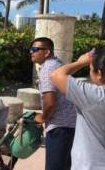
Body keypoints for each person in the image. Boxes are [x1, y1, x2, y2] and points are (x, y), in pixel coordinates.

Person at [50, 48, 105, 170]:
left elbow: (56, 75)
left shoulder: (93, 95)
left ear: (100, 73)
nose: (89, 73)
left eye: (91, 70)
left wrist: (80, 62)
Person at [30, 37, 76, 170]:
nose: (31, 52)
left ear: (47, 52)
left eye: (35, 49)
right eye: (31, 49)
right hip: (71, 124)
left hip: (60, 126)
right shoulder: (57, 63)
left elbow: (50, 102)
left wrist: (42, 118)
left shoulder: (47, 69)